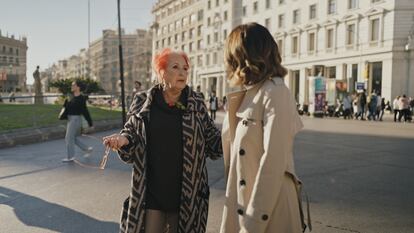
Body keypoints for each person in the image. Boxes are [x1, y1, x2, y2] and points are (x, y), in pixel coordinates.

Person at [103, 48, 222, 233]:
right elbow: (130, 132)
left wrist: (236, 131)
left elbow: (215, 144)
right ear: (161, 72)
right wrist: (123, 140)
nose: (182, 72)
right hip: (150, 195)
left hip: (188, 199)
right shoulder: (142, 101)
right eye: (175, 67)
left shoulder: (196, 102)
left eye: (185, 68)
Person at [220, 23, 308, 233]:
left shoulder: (275, 92)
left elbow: (273, 163)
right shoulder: (251, 94)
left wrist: (252, 225)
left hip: (268, 213)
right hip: (244, 204)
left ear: (242, 56)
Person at [62, 80, 93, 162]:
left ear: (78, 87)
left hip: (75, 120)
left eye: (73, 85)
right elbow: (66, 108)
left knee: (68, 138)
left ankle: (70, 157)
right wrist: (66, 102)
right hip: (70, 119)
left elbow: (85, 111)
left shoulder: (81, 98)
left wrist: (90, 123)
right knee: (72, 138)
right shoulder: (71, 97)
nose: (71, 86)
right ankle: (87, 149)